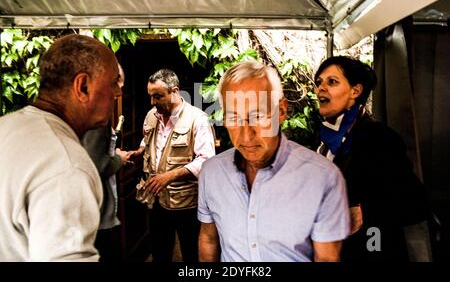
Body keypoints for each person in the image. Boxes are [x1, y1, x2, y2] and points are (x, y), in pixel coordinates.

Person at [197, 61, 350, 262]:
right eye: (234, 118)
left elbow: (327, 259)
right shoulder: (212, 172)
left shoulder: (323, 178)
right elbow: (209, 239)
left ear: (282, 111)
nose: (246, 134)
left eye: (258, 116)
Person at [0, 34, 122, 261]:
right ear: (83, 86)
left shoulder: (6, 127)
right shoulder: (68, 166)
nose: (118, 93)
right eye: (113, 83)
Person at [314, 56, 429, 262]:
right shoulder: (326, 144)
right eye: (319, 82)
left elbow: (416, 203)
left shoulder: (378, 137)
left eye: (332, 82)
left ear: (355, 91)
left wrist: (364, 212)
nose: (321, 88)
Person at [127, 69, 215, 262]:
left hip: (187, 204)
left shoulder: (197, 119)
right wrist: (140, 151)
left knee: (191, 254)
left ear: (174, 91)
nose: (152, 102)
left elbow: (206, 160)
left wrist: (169, 176)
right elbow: (148, 140)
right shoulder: (152, 115)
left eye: (157, 96)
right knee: (160, 253)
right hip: (157, 201)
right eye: (150, 96)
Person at [81, 64, 129, 262]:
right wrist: (119, 158)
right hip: (98, 216)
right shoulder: (97, 119)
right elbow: (98, 166)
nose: (118, 93)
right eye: (114, 85)